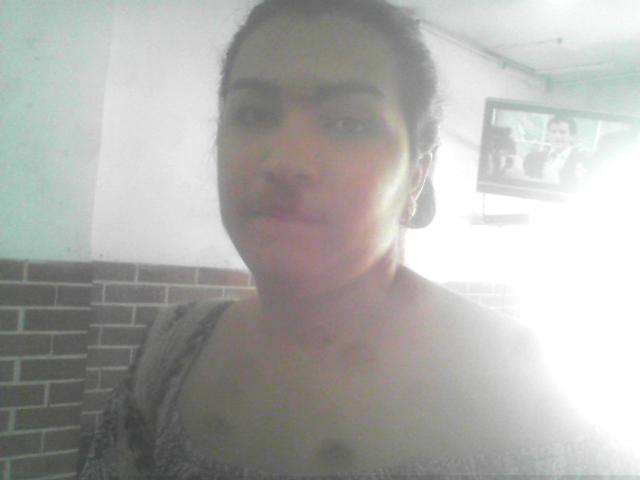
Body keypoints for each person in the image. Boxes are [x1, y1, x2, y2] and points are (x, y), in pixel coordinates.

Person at [79, 0, 636, 478]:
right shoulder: (171, 353)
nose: (285, 161)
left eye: (347, 122)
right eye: (253, 113)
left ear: (416, 174)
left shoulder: (539, 397)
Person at [523, 115, 590, 190]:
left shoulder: (582, 162)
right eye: (553, 132)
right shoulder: (533, 158)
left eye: (562, 132)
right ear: (548, 135)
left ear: (572, 136)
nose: (557, 136)